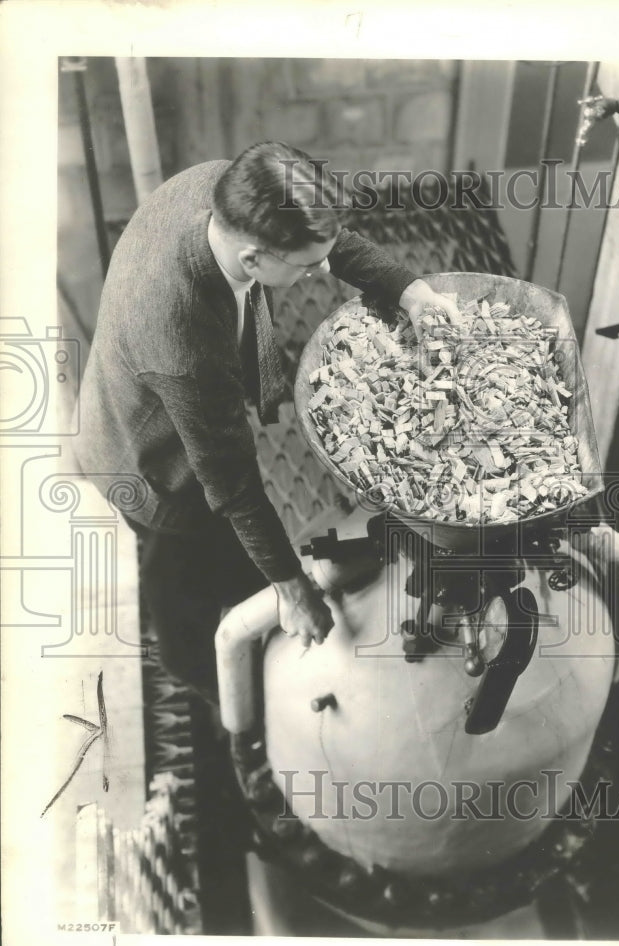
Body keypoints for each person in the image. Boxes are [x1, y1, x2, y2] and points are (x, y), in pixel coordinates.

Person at [72, 140, 460, 703]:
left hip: (145, 388)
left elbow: (324, 244)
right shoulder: (184, 342)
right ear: (253, 259)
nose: (324, 272)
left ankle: (242, 593)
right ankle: (213, 687)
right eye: (307, 269)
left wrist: (409, 289)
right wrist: (292, 588)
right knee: (183, 561)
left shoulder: (221, 188)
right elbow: (231, 483)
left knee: (234, 553)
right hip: (146, 463)